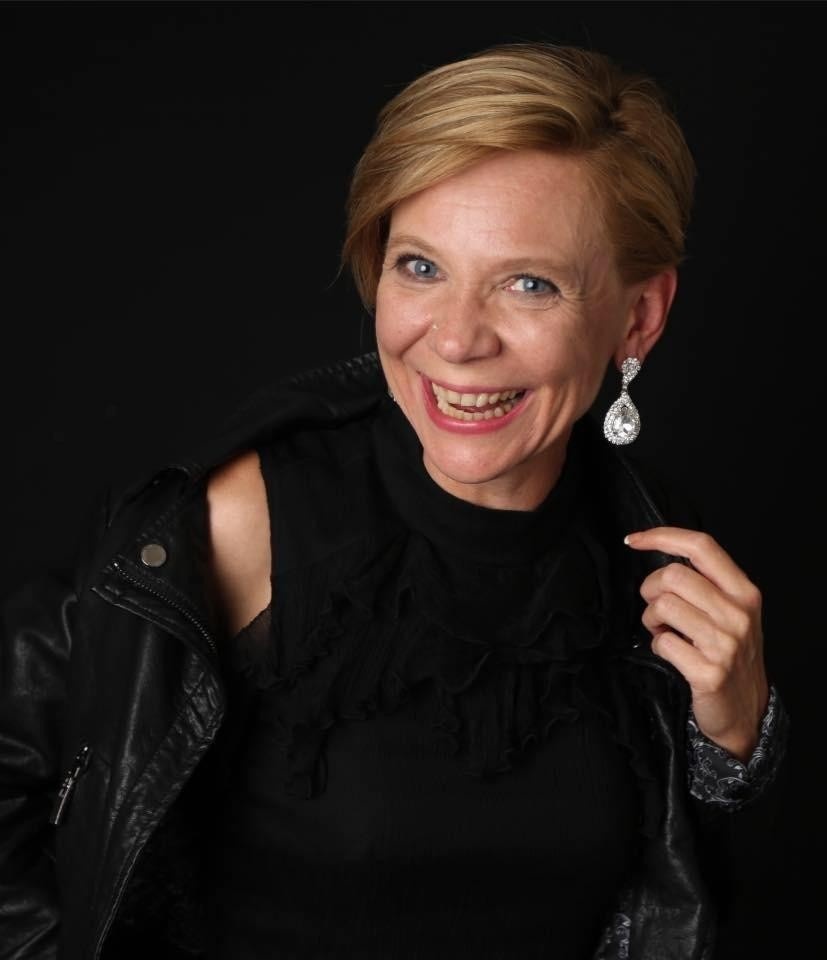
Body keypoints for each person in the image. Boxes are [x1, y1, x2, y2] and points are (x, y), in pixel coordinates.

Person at [0, 42, 787, 960]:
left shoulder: (662, 560)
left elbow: (685, 899)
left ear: (638, 317)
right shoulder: (235, 525)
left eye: (528, 284)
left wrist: (736, 739)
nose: (455, 340)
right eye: (420, 268)